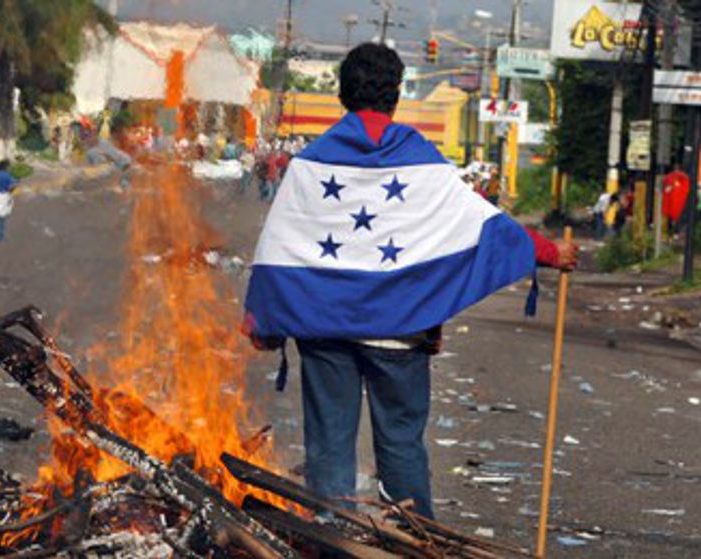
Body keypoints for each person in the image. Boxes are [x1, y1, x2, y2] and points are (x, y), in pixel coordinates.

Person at [242, 43, 577, 519]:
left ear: (342, 93)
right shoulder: (420, 159)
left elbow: (280, 245)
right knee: (400, 444)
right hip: (399, 332)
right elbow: (481, 225)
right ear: (396, 94)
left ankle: (332, 538)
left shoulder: (311, 163)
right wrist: (550, 252)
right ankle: (414, 538)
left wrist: (263, 320)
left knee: (329, 448)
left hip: (324, 330)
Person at [663, 163, 690, 234]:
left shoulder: (669, 177)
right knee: (678, 218)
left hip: (672, 203)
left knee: (671, 218)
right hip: (680, 203)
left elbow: (666, 189)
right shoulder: (684, 178)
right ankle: (675, 232)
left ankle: (671, 231)